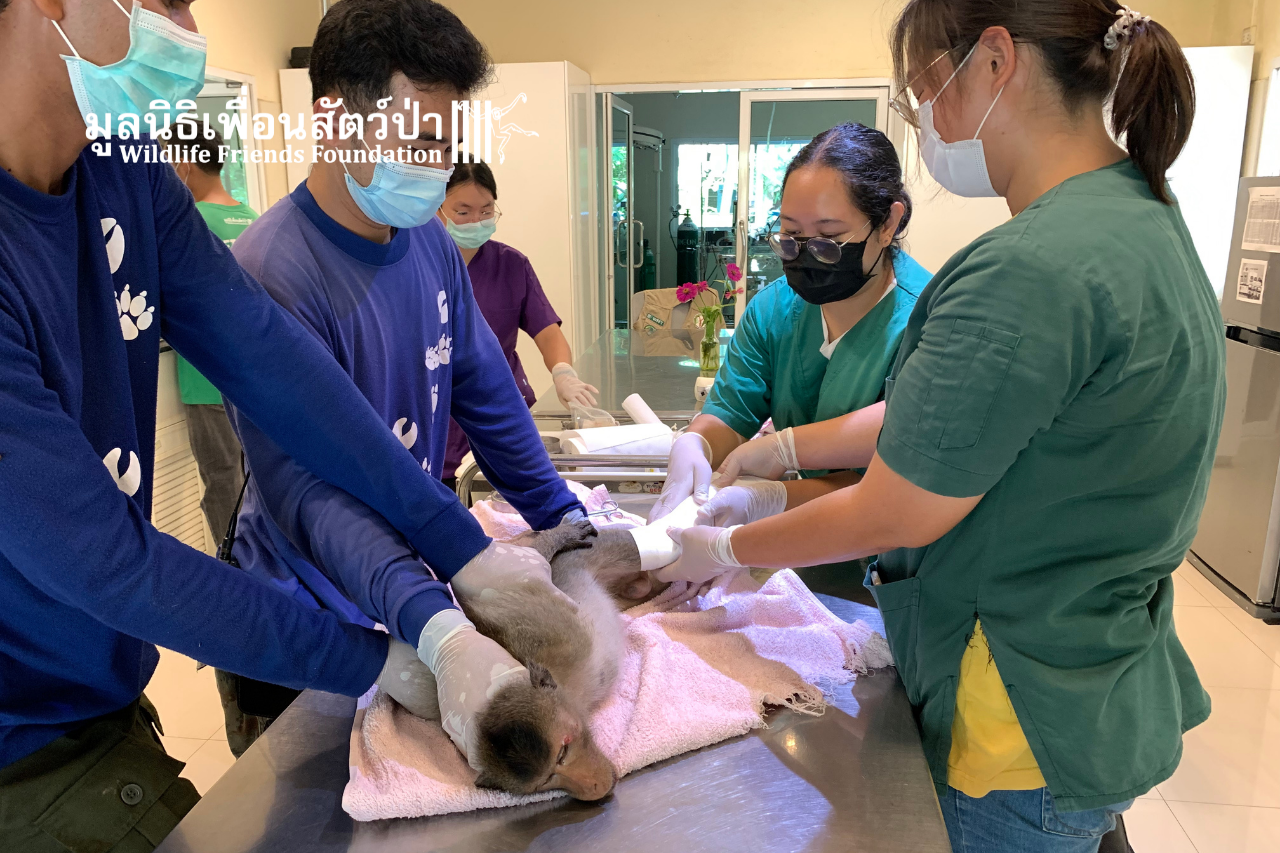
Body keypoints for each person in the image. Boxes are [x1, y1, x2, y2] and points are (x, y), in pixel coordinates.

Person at [0, 1, 568, 849]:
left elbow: (274, 364)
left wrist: (465, 550)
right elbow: (114, 563)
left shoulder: (119, 168)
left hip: (98, 687)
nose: (186, 31)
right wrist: (398, 655)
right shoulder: (279, 255)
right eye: (164, 1)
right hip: (23, 737)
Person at [660, 3, 1222, 853]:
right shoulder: (1141, 218)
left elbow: (897, 508)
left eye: (925, 89)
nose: (925, 120)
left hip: (1014, 707)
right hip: (1089, 670)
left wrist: (734, 546)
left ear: (996, 61)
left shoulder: (1030, 267)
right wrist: (777, 455)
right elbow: (960, 420)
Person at [225, 0, 588, 756]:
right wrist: (437, 622)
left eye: (448, 145)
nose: (438, 166)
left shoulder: (427, 243)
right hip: (308, 620)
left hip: (402, 595)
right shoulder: (273, 272)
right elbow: (311, 492)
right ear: (333, 123)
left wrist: (565, 522)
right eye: (421, 142)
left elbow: (485, 389)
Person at [649, 122, 931, 527]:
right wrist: (696, 444)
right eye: (790, 236)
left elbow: (900, 480)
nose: (804, 255)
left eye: (828, 239)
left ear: (887, 224)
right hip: (802, 534)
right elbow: (732, 409)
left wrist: (772, 495)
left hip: (889, 548)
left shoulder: (931, 321)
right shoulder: (773, 310)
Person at [436, 161, 597, 488]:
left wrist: (563, 373)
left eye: (486, 210)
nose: (476, 221)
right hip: (438, 416)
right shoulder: (415, 265)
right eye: (463, 212)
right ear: (436, 208)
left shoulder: (510, 264)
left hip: (503, 412)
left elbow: (547, 331)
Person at [161, 129, 256, 546]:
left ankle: (237, 575)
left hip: (206, 380)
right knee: (256, 483)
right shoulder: (253, 217)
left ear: (182, 165)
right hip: (252, 376)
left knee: (222, 484)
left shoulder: (188, 221)